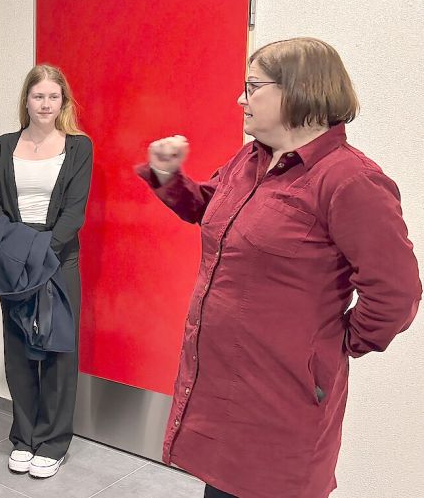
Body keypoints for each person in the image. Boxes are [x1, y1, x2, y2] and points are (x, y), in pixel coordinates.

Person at [137, 37, 421, 498]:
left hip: (282, 401)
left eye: (252, 86)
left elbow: (397, 294)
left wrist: (334, 344)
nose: (240, 99)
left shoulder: (350, 180)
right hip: (223, 387)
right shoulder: (251, 159)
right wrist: (170, 178)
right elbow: (214, 210)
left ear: (298, 91)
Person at [0, 64, 92, 479]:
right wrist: (18, 251)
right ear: (26, 100)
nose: (46, 104)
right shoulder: (3, 144)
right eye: (38, 96)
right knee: (18, 350)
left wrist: (40, 251)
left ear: (62, 102)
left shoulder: (79, 147)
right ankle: (24, 437)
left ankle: (53, 442)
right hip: (13, 255)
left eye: (53, 97)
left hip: (57, 256)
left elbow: (75, 212)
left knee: (57, 351)